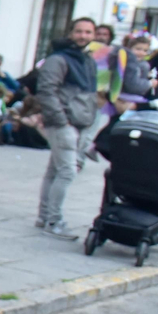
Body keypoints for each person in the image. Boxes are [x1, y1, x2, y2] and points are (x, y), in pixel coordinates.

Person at [33, 17, 100, 240]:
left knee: (55, 170)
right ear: (70, 33)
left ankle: (44, 217)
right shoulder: (58, 59)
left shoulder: (86, 59)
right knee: (67, 171)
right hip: (63, 123)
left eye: (88, 32)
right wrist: (61, 121)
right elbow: (46, 90)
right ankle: (54, 221)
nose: (83, 36)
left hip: (77, 122)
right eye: (79, 31)